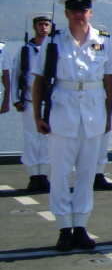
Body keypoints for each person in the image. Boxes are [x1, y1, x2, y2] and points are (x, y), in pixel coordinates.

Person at [32, 0, 112, 251]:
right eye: (75, 9)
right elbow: (39, 80)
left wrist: (109, 115)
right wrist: (37, 116)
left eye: (85, 10)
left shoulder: (103, 41)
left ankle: (80, 226)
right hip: (62, 114)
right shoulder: (54, 42)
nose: (80, 14)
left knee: (87, 174)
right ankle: (63, 228)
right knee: (60, 174)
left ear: (91, 13)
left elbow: (109, 80)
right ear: (66, 13)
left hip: (93, 115)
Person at [11, 12, 53, 193]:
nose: (44, 28)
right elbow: (16, 76)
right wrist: (15, 99)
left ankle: (43, 174)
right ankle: (33, 175)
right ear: (34, 27)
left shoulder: (54, 48)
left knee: (48, 138)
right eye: (40, 24)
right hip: (29, 100)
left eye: (46, 25)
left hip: (50, 101)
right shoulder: (25, 50)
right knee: (31, 138)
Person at [89, 24, 112, 191]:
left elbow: (111, 78)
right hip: (81, 100)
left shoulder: (107, 47)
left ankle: (98, 173)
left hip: (100, 99)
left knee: (103, 139)